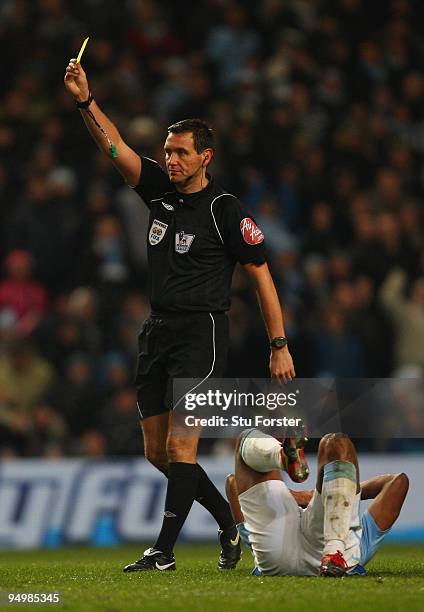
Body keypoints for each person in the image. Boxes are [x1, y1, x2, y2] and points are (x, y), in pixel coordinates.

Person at [64, 57, 299, 573]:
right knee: (159, 453)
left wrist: (278, 345)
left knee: (181, 442)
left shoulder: (225, 209)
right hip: (158, 332)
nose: (170, 160)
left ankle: (163, 550)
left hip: (203, 332)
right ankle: (227, 521)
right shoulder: (158, 192)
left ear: (204, 157)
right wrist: (85, 100)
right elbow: (114, 147)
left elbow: (261, 274)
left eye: (180, 152)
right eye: (167, 151)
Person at [226, 429, 409, 577]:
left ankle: (281, 456)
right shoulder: (365, 539)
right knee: (336, 443)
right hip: (338, 554)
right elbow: (398, 482)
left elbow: (233, 483)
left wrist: (315, 495)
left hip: (275, 558)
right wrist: (341, 491)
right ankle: (334, 553)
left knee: (246, 439)